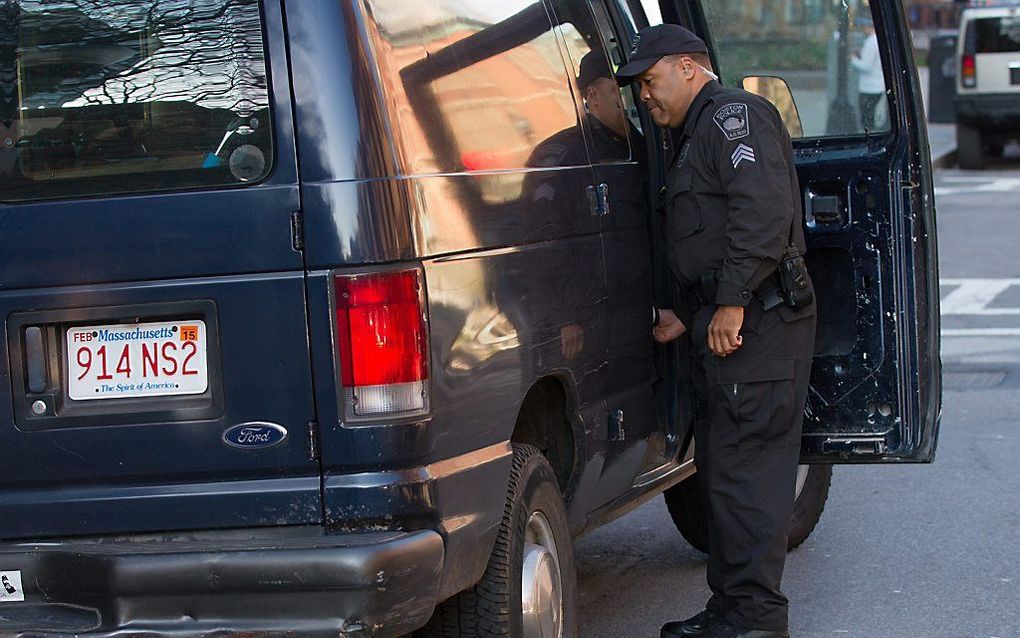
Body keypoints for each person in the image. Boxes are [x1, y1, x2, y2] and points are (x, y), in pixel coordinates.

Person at [616, 24, 817, 638]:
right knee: (726, 472)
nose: (645, 99)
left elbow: (762, 213)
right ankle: (731, 610)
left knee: (750, 474)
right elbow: (704, 231)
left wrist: (730, 303)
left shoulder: (735, 118)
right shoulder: (695, 131)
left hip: (758, 321)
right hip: (727, 320)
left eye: (650, 83)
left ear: (687, 66)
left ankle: (756, 618)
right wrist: (687, 307)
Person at [851, 19, 883, 130]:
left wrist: (853, 59)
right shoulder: (878, 40)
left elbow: (866, 66)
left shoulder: (870, 42)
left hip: (868, 87)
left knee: (866, 120)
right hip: (877, 85)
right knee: (870, 117)